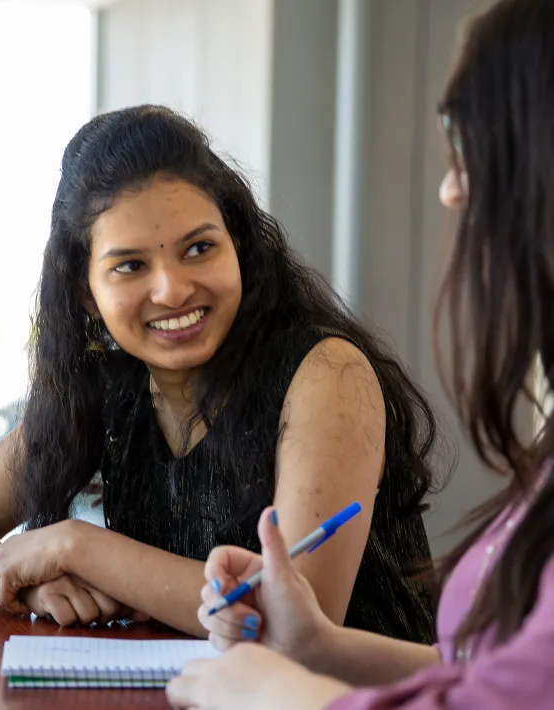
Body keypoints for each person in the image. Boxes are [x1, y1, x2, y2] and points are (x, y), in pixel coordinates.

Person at [0, 104, 442, 641]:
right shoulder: (112, 387)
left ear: (239, 249)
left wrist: (77, 547)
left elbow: (298, 620)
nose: (173, 289)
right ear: (87, 293)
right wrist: (25, 583)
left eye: (199, 248)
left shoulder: (326, 373)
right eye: (130, 266)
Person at [166, 0, 554, 706]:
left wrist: (277, 695)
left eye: (469, 152)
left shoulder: (326, 369)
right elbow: (497, 677)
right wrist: (317, 647)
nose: (449, 188)